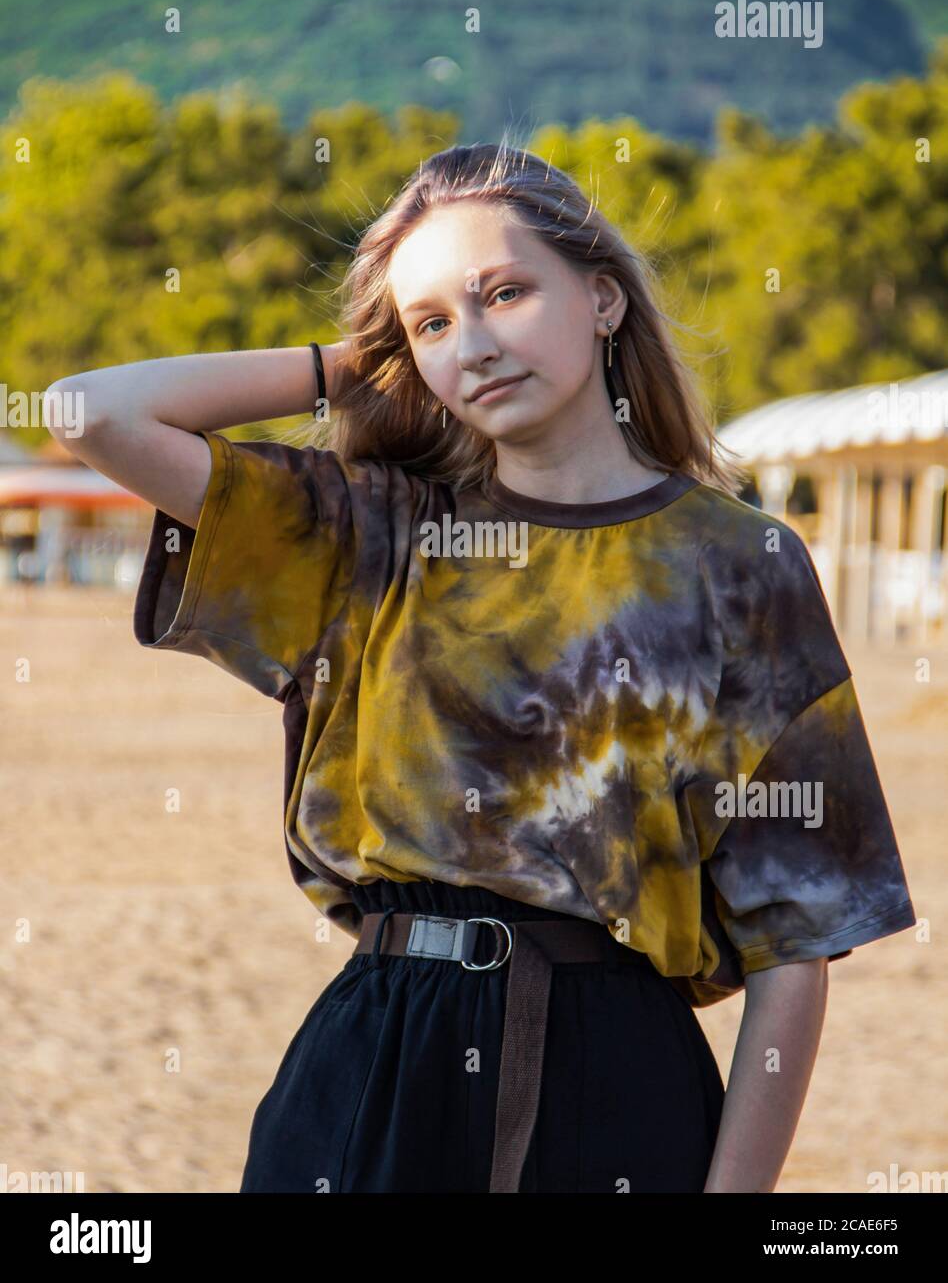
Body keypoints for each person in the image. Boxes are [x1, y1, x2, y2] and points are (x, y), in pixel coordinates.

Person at [46, 141, 916, 1194]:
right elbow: (90, 414)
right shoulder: (371, 530)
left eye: (505, 293)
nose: (475, 345)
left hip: (615, 1080)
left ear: (603, 298)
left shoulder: (741, 564)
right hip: (373, 1064)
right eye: (433, 323)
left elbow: (796, 948)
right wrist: (349, 364)